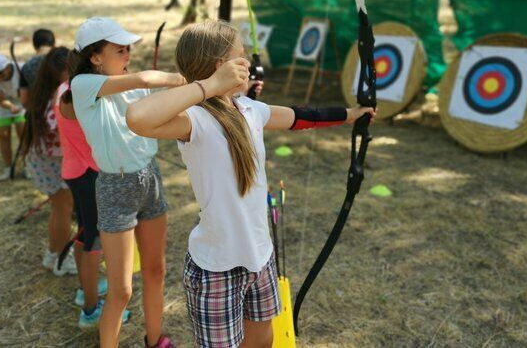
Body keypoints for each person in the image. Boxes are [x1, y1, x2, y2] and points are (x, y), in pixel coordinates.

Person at [124, 20, 375, 348]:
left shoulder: (249, 110)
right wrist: (209, 86)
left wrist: (351, 114)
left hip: (260, 256)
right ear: (221, 67)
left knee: (263, 341)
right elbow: (137, 118)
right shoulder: (194, 119)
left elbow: (301, 116)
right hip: (217, 269)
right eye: (241, 58)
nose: (250, 65)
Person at [68, 17, 184, 348]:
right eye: (120, 50)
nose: (128, 55)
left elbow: (162, 104)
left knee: (156, 270)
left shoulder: (132, 84)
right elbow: (147, 77)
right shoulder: (84, 85)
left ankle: (155, 339)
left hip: (151, 177)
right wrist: (184, 80)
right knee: (121, 290)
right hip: (115, 186)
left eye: (128, 49)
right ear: (95, 57)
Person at [55, 77, 112, 328]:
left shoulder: (65, 88)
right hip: (88, 173)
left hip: (75, 171)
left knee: (84, 233)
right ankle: (91, 310)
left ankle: (85, 291)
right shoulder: (79, 93)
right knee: (94, 239)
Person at [19, 47, 77, 276]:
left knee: (60, 208)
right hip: (50, 163)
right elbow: (65, 135)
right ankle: (62, 258)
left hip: (46, 161)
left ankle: (53, 254)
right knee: (63, 208)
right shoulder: (59, 98)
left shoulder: (47, 91)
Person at [0, 53, 26, 180]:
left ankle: (27, 166)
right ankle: (8, 168)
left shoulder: (21, 68)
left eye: (0, 73)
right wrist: (11, 107)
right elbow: (0, 100)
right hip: (3, 105)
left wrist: (22, 105)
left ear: (8, 67)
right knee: (3, 134)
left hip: (23, 101)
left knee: (23, 133)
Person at [19, 28, 55, 109]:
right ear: (53, 44)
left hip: (41, 112)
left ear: (34, 46)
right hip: (66, 113)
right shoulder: (65, 59)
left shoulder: (27, 67)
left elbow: (24, 100)